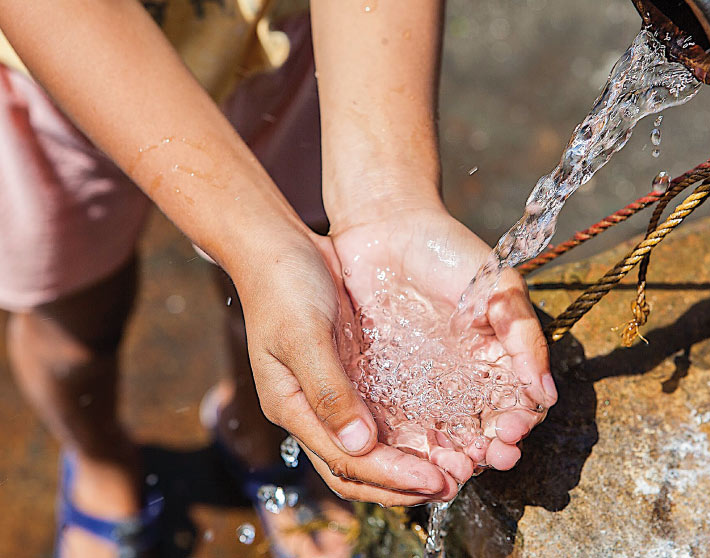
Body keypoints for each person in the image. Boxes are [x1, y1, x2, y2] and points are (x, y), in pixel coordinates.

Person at [0, 1, 558, 557]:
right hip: (56, 71)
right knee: (73, 322)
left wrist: (387, 195)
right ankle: (101, 462)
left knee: (296, 289)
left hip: (278, 44)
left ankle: (255, 432)